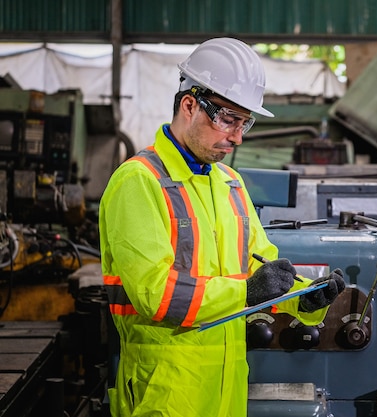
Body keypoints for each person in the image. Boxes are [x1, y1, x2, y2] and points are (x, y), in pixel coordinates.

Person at [99, 37, 345, 417]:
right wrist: (246, 292)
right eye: (229, 119)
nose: (238, 136)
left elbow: (263, 271)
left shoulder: (230, 183)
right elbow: (155, 293)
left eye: (244, 122)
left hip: (228, 389)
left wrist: (304, 300)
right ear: (189, 105)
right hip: (166, 392)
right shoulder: (138, 182)